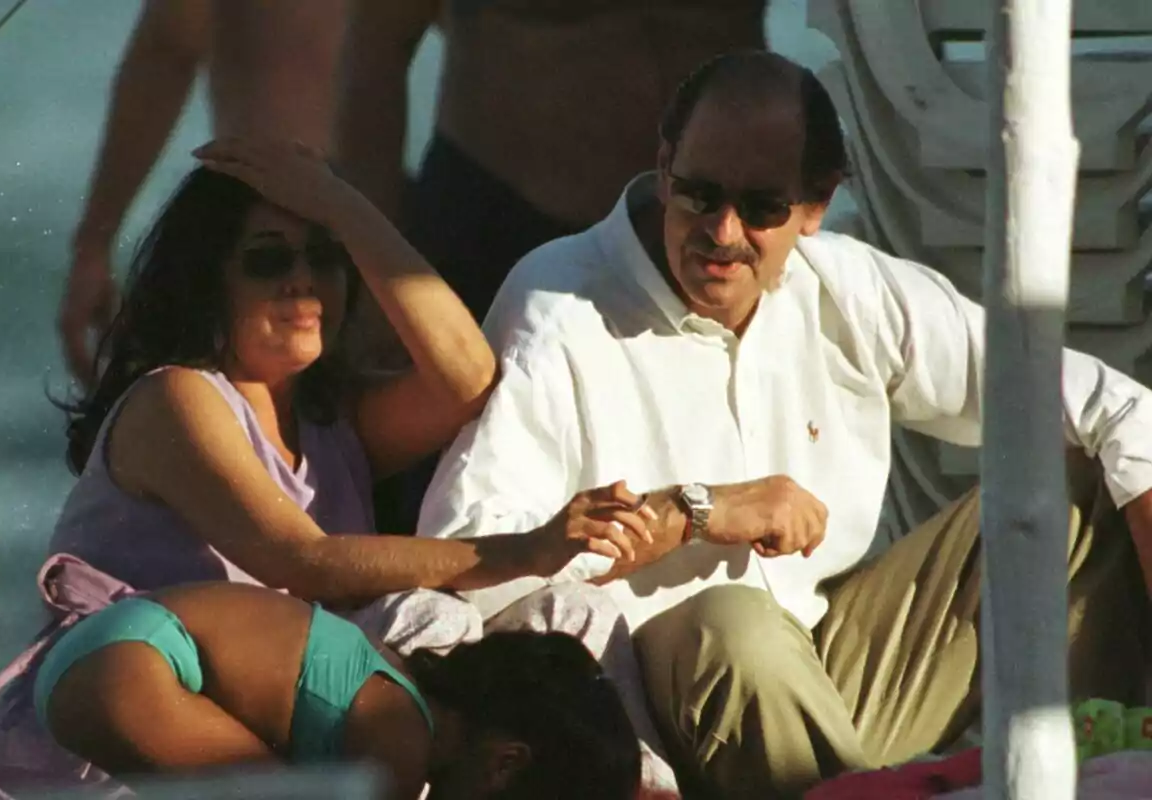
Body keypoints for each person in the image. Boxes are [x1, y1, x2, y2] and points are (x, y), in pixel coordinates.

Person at [416, 50, 1152, 798]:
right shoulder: (560, 303)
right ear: (664, 167)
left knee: (1087, 485)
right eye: (699, 194)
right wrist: (693, 511)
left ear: (815, 206)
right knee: (734, 627)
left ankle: (1093, 776)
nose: (724, 232)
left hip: (823, 669)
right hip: (645, 717)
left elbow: (1114, 407)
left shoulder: (846, 284)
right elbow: (462, 567)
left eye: (763, 207)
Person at [50, 137, 651, 632]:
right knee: (428, 620)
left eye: (324, 257)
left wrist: (345, 209)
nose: (303, 281)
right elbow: (301, 561)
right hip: (143, 733)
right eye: (268, 260)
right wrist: (523, 551)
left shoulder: (331, 419)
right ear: (205, 280)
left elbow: (467, 379)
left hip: (291, 702)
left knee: (569, 612)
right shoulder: (175, 398)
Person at [339, 0, 771, 534]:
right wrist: (366, 274)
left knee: (707, 477)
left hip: (706, 231)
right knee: (455, 516)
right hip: (495, 219)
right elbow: (374, 45)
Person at [34, 581, 643, 800]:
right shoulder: (398, 753)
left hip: (119, 648)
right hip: (129, 669)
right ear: (505, 765)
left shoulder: (398, 682)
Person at [60, 0, 349, 386]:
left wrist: (93, 246)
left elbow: (168, 49)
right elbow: (168, 50)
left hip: (273, 236)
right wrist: (93, 244)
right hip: (345, 231)